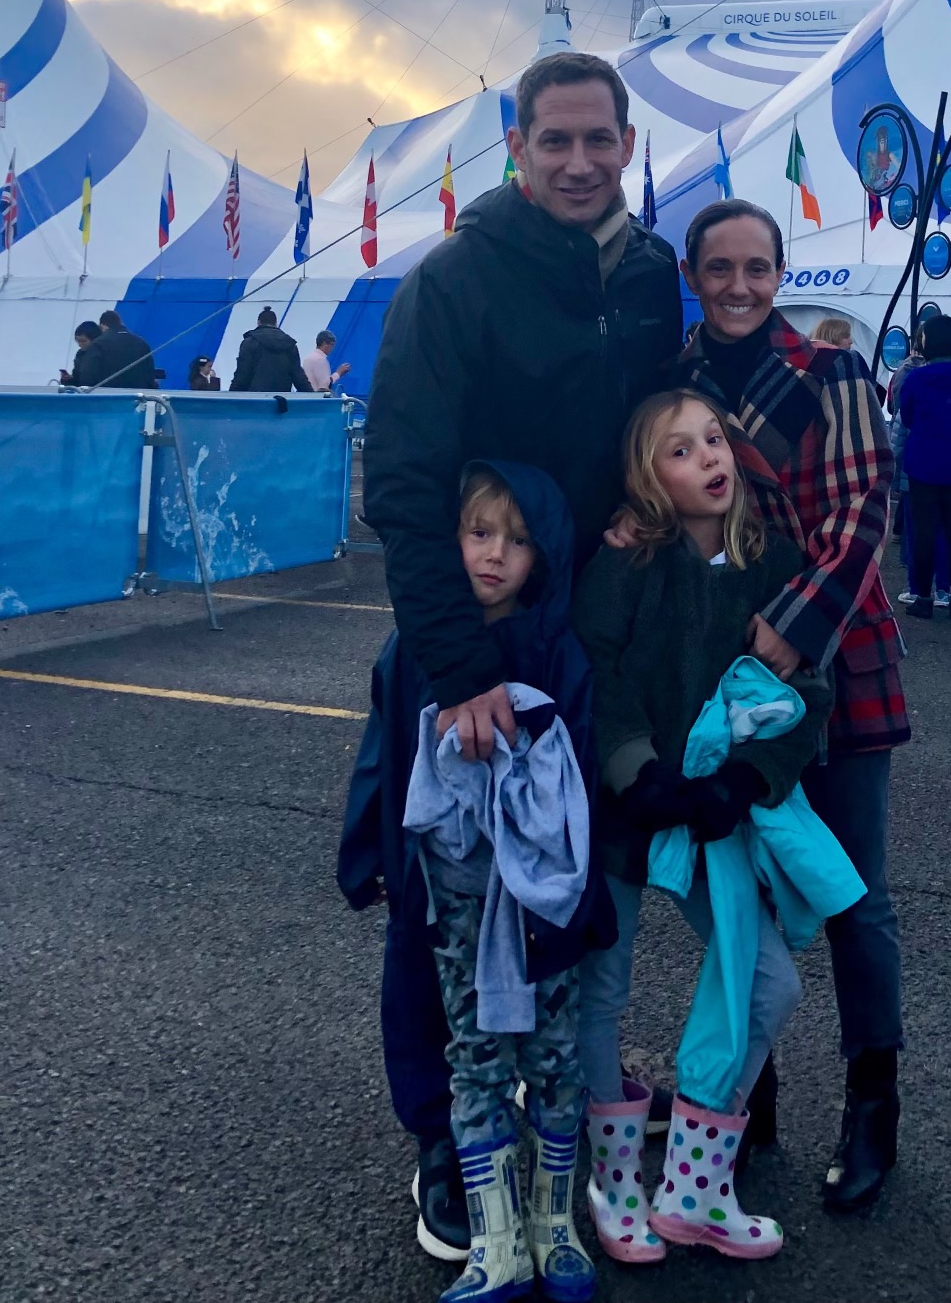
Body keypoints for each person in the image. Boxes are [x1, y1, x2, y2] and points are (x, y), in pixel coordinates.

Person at [359, 51, 682, 1260]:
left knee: (565, 883)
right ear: (518, 145)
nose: (580, 162)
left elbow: (653, 432)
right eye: (556, 141)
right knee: (446, 895)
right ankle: (446, 1135)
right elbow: (399, 482)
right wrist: (458, 668)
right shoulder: (458, 278)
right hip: (473, 639)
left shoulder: (652, 276)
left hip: (588, 639)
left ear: (628, 140)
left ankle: (550, 1124)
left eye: (600, 140)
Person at [669, 199, 907, 1216]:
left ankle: (872, 1104)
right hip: (721, 668)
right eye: (719, 266)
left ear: (780, 272)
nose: (738, 284)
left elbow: (863, 501)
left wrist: (792, 625)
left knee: (853, 890)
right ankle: (746, 1094)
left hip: (832, 653)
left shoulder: (830, 370)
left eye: (757, 267)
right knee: (738, 885)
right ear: (691, 272)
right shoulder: (669, 381)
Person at [574, 389, 844, 1265]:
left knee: (770, 984)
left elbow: (807, 695)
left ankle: (693, 1187)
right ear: (646, 478)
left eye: (714, 439)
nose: (709, 458)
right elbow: (598, 677)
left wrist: (745, 777)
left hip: (718, 812)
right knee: (601, 991)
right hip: (627, 808)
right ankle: (615, 1186)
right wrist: (636, 772)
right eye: (680, 450)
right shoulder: (625, 561)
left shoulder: (775, 563)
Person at [340, 463, 613, 1303]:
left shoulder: (558, 652)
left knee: (556, 1055)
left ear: (547, 556)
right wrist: (369, 855)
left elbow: (585, 780)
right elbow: (383, 754)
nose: (494, 556)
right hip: (454, 898)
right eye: (479, 533)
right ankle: (496, 1240)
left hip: (542, 898)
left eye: (518, 541)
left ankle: (555, 1226)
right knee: (474, 1056)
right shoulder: (416, 644)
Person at [898, 315, 951, 622]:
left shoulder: (916, 378)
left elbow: (906, 417)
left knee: (924, 532)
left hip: (923, 462)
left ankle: (923, 597)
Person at [230, 308, 314, 392]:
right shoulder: (290, 344)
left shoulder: (249, 342)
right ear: (275, 323)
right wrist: (311, 397)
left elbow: (242, 374)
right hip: (281, 400)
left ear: (259, 322)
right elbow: (299, 377)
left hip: (255, 400)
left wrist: (231, 397)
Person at [89, 309, 159, 388]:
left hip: (106, 395)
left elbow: (89, 374)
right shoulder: (141, 343)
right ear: (120, 323)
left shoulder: (98, 343)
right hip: (136, 395)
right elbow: (149, 374)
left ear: (102, 326)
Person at [60, 321, 106, 388]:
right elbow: (76, 379)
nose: (80, 344)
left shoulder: (102, 354)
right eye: (78, 341)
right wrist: (68, 379)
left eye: (83, 341)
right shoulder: (80, 354)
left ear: (94, 339)